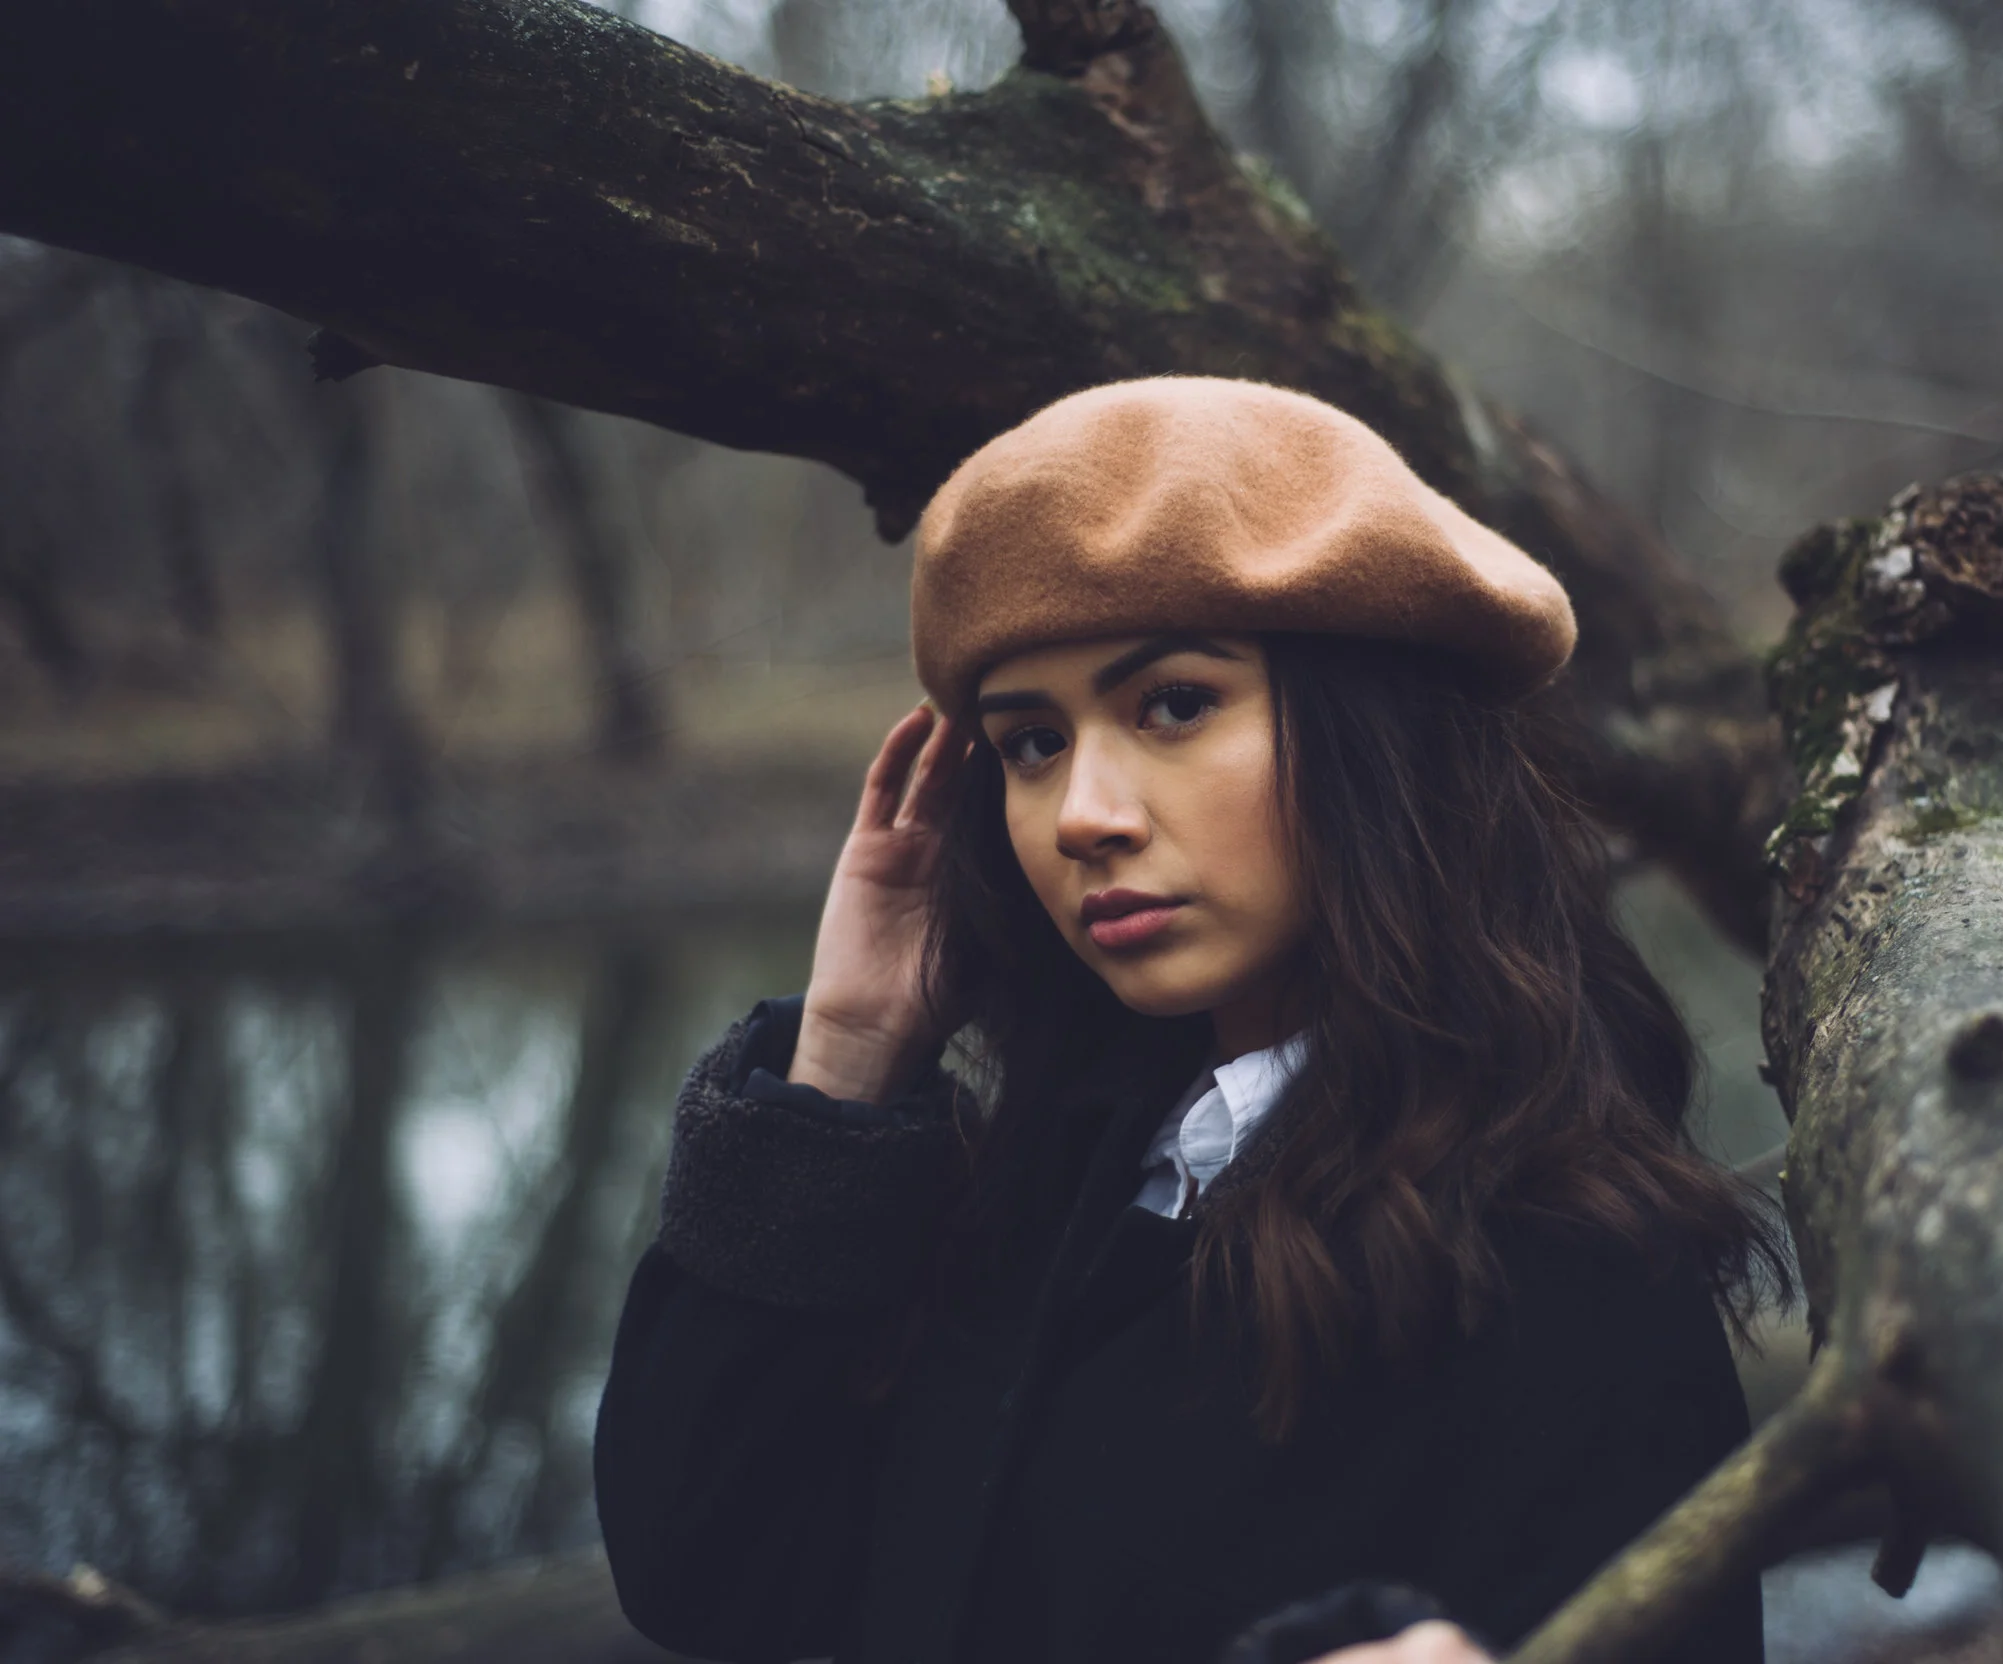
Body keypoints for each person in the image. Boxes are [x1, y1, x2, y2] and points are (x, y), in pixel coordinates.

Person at [593, 377, 1785, 1664]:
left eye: (1171, 704)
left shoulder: (1572, 1267)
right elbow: (709, 1578)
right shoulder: (1043, 1180)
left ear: (1375, 738)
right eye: (1032, 741)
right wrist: (845, 1054)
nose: (1080, 812)